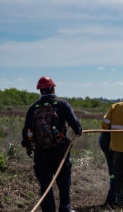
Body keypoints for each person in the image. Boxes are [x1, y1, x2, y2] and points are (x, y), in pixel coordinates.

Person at [21, 76, 82, 212]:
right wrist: (78, 130)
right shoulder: (62, 104)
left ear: (40, 91)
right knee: (64, 182)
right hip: (61, 152)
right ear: (53, 89)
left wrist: (28, 146)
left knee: (45, 186)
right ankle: (65, 209)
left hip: (41, 153)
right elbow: (77, 127)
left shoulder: (33, 108)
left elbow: (26, 132)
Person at [98, 132, 117, 206]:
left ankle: (113, 197)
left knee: (113, 172)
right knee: (115, 172)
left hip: (107, 141)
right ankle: (113, 198)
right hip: (111, 142)